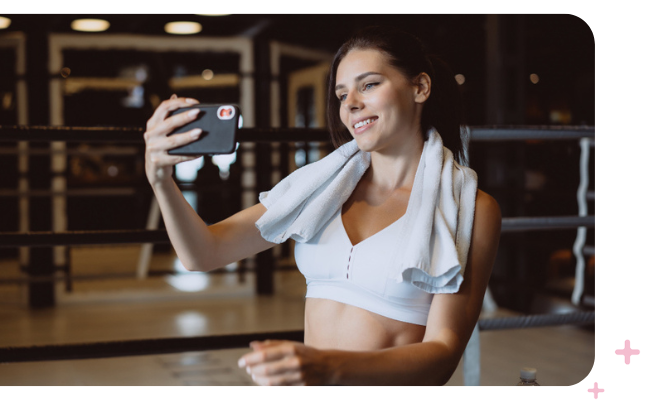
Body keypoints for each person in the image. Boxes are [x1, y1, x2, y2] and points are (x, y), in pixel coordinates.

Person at [142, 26, 502, 385]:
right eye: (342, 94)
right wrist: (160, 180)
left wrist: (328, 367)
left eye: (369, 84)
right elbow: (204, 252)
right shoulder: (321, 190)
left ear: (420, 87)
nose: (351, 104)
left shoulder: (467, 207)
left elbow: (443, 353)